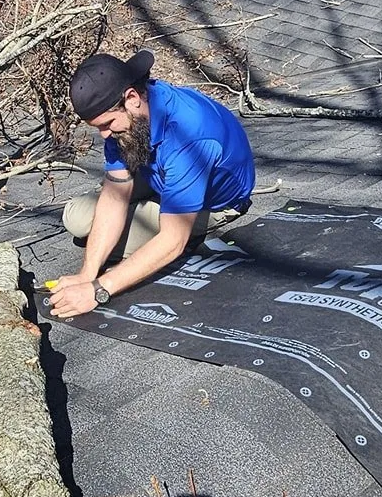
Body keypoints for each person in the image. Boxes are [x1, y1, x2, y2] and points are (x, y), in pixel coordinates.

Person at [48, 49, 255, 318]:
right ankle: (148, 218)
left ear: (132, 98)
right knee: (76, 217)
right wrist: (87, 274)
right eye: (98, 127)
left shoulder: (189, 136)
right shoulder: (131, 121)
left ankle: (191, 233)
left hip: (211, 201)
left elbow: (172, 239)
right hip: (159, 174)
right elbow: (114, 196)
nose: (104, 135)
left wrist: (98, 289)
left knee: (150, 244)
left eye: (107, 124)